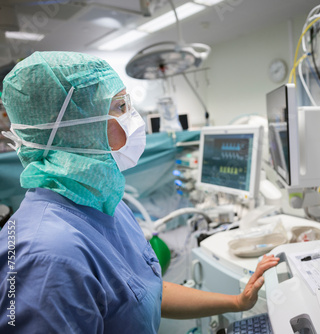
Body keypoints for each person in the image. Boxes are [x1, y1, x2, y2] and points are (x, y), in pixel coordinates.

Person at [0, 51, 279, 333]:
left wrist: (237, 302)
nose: (134, 119)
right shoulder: (46, 258)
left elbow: (144, 290)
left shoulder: (102, 202)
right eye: (120, 106)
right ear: (74, 129)